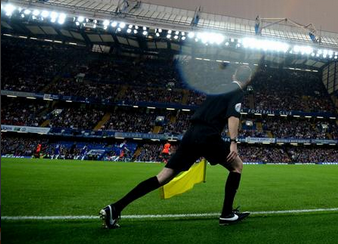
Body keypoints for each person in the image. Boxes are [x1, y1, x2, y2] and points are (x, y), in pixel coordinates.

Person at [100, 65, 253, 228]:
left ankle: (115, 208)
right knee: (237, 166)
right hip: (207, 135)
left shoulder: (220, 88)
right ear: (248, 80)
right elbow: (233, 116)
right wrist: (233, 142)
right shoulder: (237, 92)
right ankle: (227, 214)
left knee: (163, 177)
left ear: (233, 75)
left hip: (191, 134)